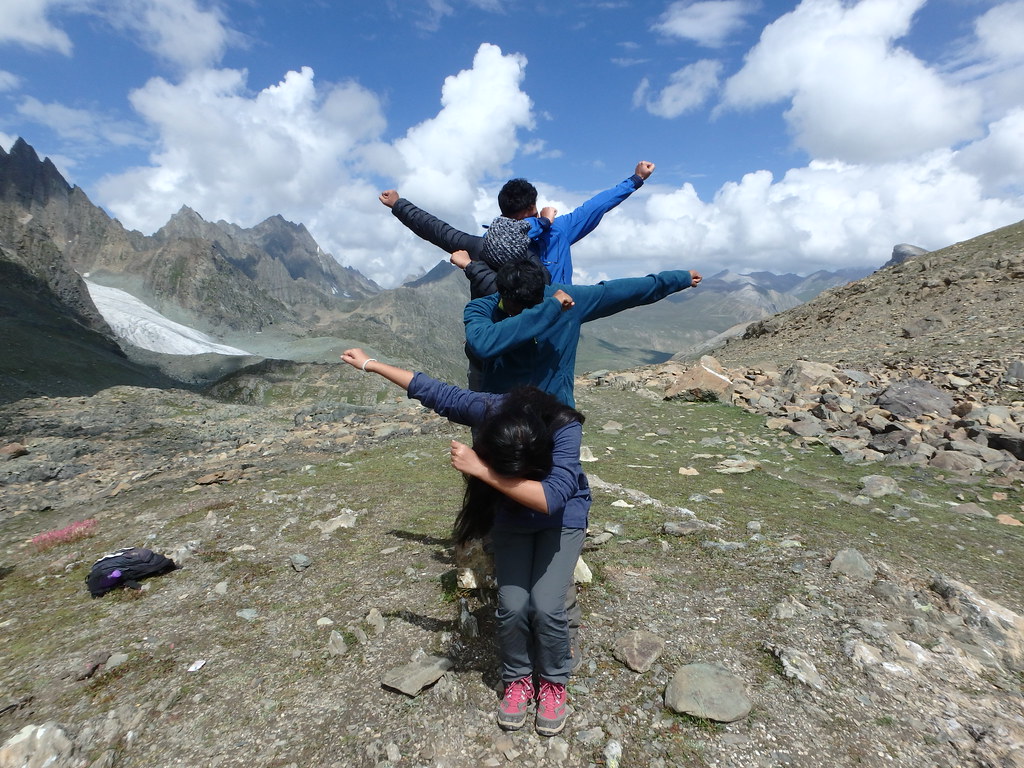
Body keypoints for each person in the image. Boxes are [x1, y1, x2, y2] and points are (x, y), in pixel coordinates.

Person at [339, 347, 590, 738]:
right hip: (511, 517)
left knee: (547, 605)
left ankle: (554, 681)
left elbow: (552, 497)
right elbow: (435, 392)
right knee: (511, 606)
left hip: (560, 519)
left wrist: (483, 471)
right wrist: (370, 364)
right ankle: (518, 678)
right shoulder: (491, 409)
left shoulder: (564, 426)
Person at [379, 161, 656, 298]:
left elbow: (435, 229)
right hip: (557, 318)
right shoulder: (558, 231)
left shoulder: (486, 244)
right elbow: (597, 205)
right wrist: (635, 179)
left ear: (502, 212)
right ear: (531, 209)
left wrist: (398, 204)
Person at [464, 257, 703, 408]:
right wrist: (549, 308)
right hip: (504, 417)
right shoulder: (482, 308)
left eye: (534, 305)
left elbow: (621, 292)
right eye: (520, 308)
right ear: (503, 294)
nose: (527, 312)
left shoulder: (566, 299)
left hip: (555, 416)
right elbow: (483, 345)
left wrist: (677, 279)